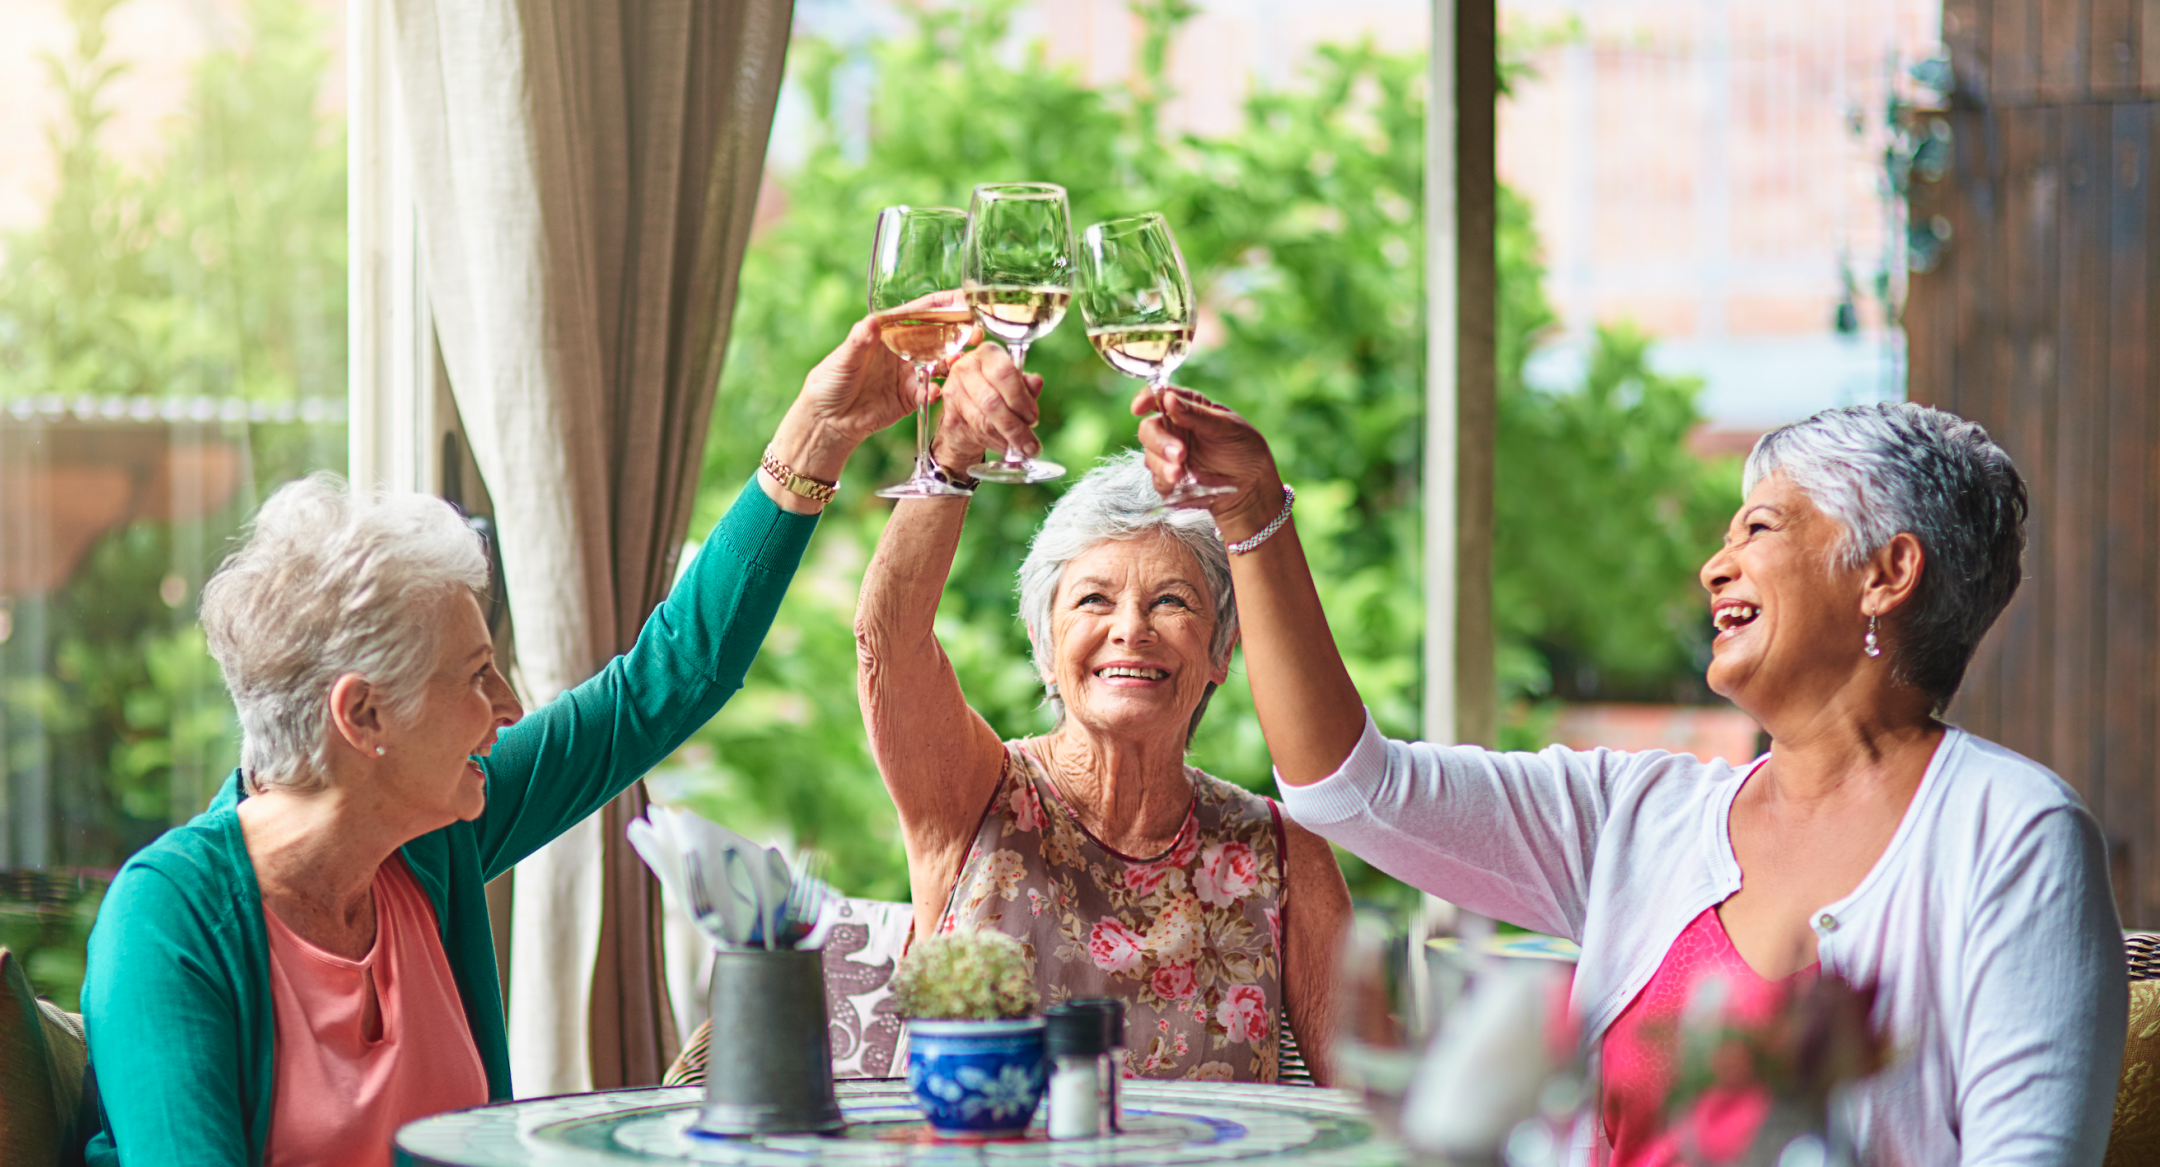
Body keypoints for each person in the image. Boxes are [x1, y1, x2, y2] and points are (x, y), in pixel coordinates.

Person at [78, 306, 1005, 1167]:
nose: (508, 705)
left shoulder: (424, 841)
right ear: (363, 717)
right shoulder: (171, 924)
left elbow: (665, 682)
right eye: (476, 675)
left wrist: (822, 430)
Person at [1132, 391, 2125, 1164]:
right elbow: (1352, 791)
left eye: (1761, 530)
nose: (1714, 564)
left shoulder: (2014, 833)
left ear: (1886, 573)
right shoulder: (1643, 817)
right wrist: (1252, 516)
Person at [852, 347, 1351, 1084]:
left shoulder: (1285, 854)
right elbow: (886, 641)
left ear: (1221, 651)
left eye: (1172, 602)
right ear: (1046, 647)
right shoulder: (974, 794)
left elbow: (1374, 1102)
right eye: (1093, 599)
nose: (1131, 629)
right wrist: (955, 455)